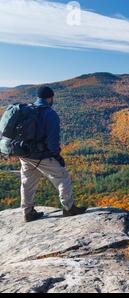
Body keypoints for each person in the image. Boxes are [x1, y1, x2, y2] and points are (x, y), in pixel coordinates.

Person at [20, 86, 86, 222]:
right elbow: (52, 142)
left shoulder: (27, 110)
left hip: (24, 154)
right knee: (63, 177)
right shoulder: (50, 114)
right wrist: (57, 156)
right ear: (50, 98)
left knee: (28, 182)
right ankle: (69, 208)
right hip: (42, 155)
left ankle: (28, 212)